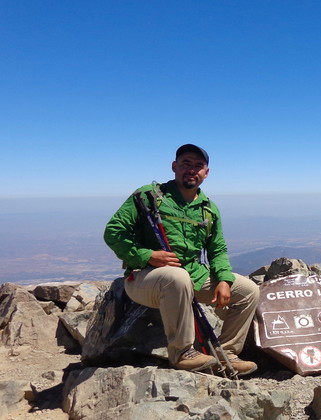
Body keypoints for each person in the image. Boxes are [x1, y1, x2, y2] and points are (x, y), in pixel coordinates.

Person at [104, 144, 260, 375]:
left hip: (192, 277)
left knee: (248, 291)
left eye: (198, 166)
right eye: (186, 163)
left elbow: (217, 249)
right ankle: (182, 353)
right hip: (145, 278)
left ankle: (227, 354)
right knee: (177, 277)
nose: (192, 170)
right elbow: (113, 232)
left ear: (206, 173)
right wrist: (147, 255)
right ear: (174, 166)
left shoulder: (208, 209)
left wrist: (224, 280)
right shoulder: (148, 196)